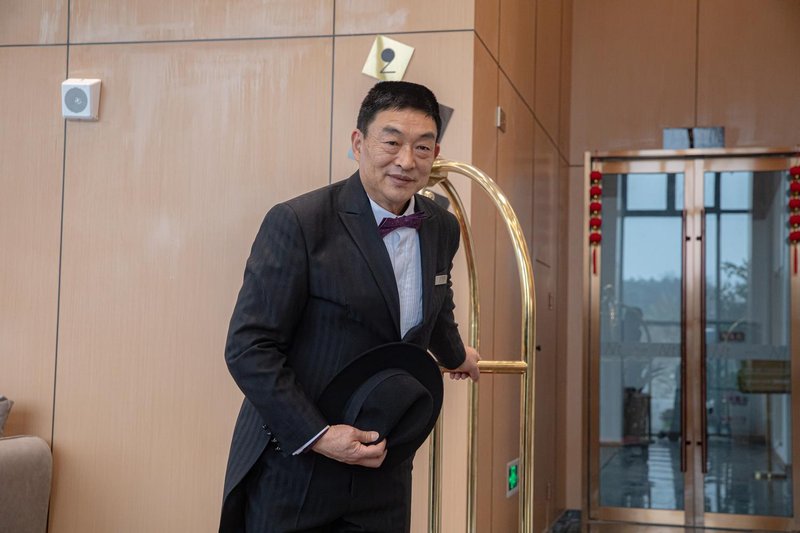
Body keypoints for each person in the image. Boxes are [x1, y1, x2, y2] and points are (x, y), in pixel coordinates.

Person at [219, 81, 481, 533]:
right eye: (392, 142)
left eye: (422, 147)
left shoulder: (441, 225)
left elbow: (439, 304)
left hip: (384, 464)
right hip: (296, 464)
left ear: (435, 153)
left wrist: (457, 355)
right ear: (359, 143)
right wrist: (320, 436)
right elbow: (249, 348)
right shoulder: (299, 222)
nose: (406, 160)